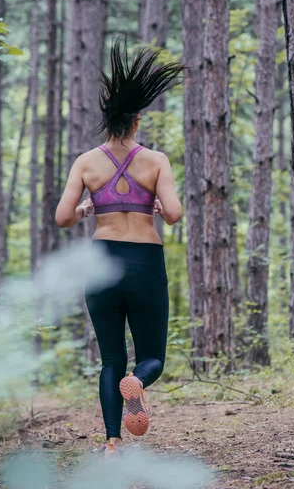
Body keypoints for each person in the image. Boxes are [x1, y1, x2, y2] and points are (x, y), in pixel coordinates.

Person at [55, 38, 183, 456]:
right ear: (137, 120)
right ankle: (140, 382)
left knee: (110, 360)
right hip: (145, 259)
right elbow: (176, 214)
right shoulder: (156, 160)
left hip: (101, 261)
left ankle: (111, 443)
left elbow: (62, 217)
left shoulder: (86, 161)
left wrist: (87, 210)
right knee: (152, 357)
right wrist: (161, 207)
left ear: (107, 122)